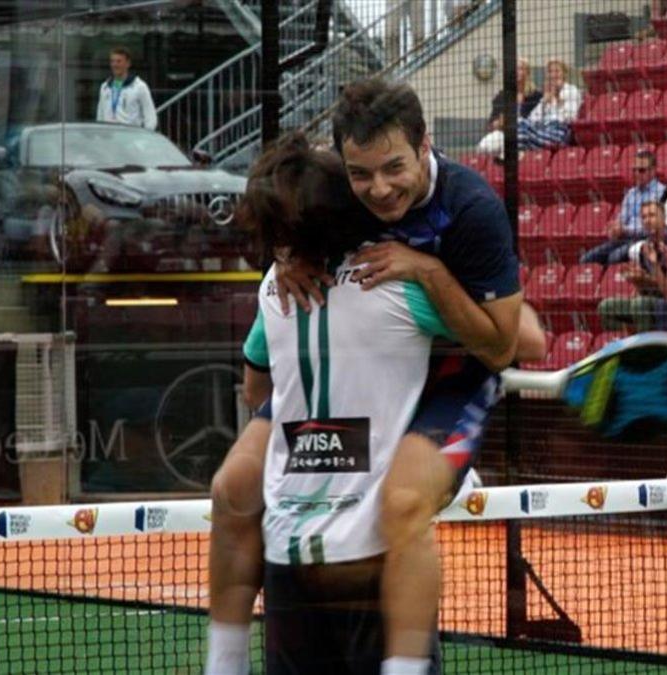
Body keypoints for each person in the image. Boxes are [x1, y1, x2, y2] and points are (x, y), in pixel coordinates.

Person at [207, 80, 542, 675]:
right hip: (352, 364)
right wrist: (289, 254)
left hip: (454, 364)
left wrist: (431, 272)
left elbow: (509, 341)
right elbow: (292, 206)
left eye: (394, 168)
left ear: (424, 145)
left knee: (404, 500)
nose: (380, 188)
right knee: (233, 488)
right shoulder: (341, 190)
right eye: (364, 174)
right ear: (344, 163)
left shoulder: (470, 208)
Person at [597, 204, 667, 333]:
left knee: (639, 304)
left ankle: (644, 347)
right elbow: (646, 288)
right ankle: (627, 340)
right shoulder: (645, 246)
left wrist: (654, 267)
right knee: (606, 307)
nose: (647, 220)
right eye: (644, 217)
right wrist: (638, 280)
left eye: (651, 215)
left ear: (663, 218)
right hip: (653, 296)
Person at [581, 149, 666, 264]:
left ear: (653, 171)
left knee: (614, 258)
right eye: (634, 170)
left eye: (641, 170)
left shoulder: (661, 192)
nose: (636, 174)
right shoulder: (631, 193)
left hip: (645, 239)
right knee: (587, 259)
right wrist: (615, 228)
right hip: (624, 238)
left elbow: (653, 228)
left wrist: (625, 229)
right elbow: (622, 218)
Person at [478, 60, 542, 158]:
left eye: (520, 68)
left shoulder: (536, 95)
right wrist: (499, 123)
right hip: (504, 133)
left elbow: (537, 119)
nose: (517, 72)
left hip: (528, 134)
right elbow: (492, 122)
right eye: (514, 70)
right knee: (484, 146)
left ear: (528, 73)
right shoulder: (502, 96)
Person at [518, 59, 582, 150]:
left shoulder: (571, 90)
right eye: (550, 72)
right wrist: (544, 103)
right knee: (519, 123)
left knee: (520, 134)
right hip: (541, 129)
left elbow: (570, 118)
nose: (553, 75)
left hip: (559, 131)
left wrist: (557, 99)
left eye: (557, 71)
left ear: (564, 74)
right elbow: (531, 119)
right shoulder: (547, 93)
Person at [95, 47, 156, 130]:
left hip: (131, 137)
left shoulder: (139, 86)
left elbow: (150, 116)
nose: (115, 65)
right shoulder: (105, 87)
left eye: (119, 61)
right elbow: (100, 114)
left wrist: (145, 138)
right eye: (112, 61)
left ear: (128, 63)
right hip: (109, 137)